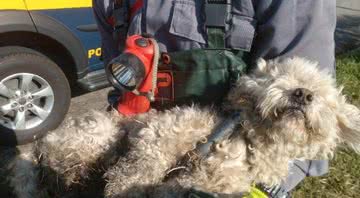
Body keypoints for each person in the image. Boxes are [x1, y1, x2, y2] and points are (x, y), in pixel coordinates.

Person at [92, 0, 336, 197]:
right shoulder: (110, 3)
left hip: (233, 173)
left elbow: (303, 120)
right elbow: (121, 88)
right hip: (136, 158)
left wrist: (251, 191)